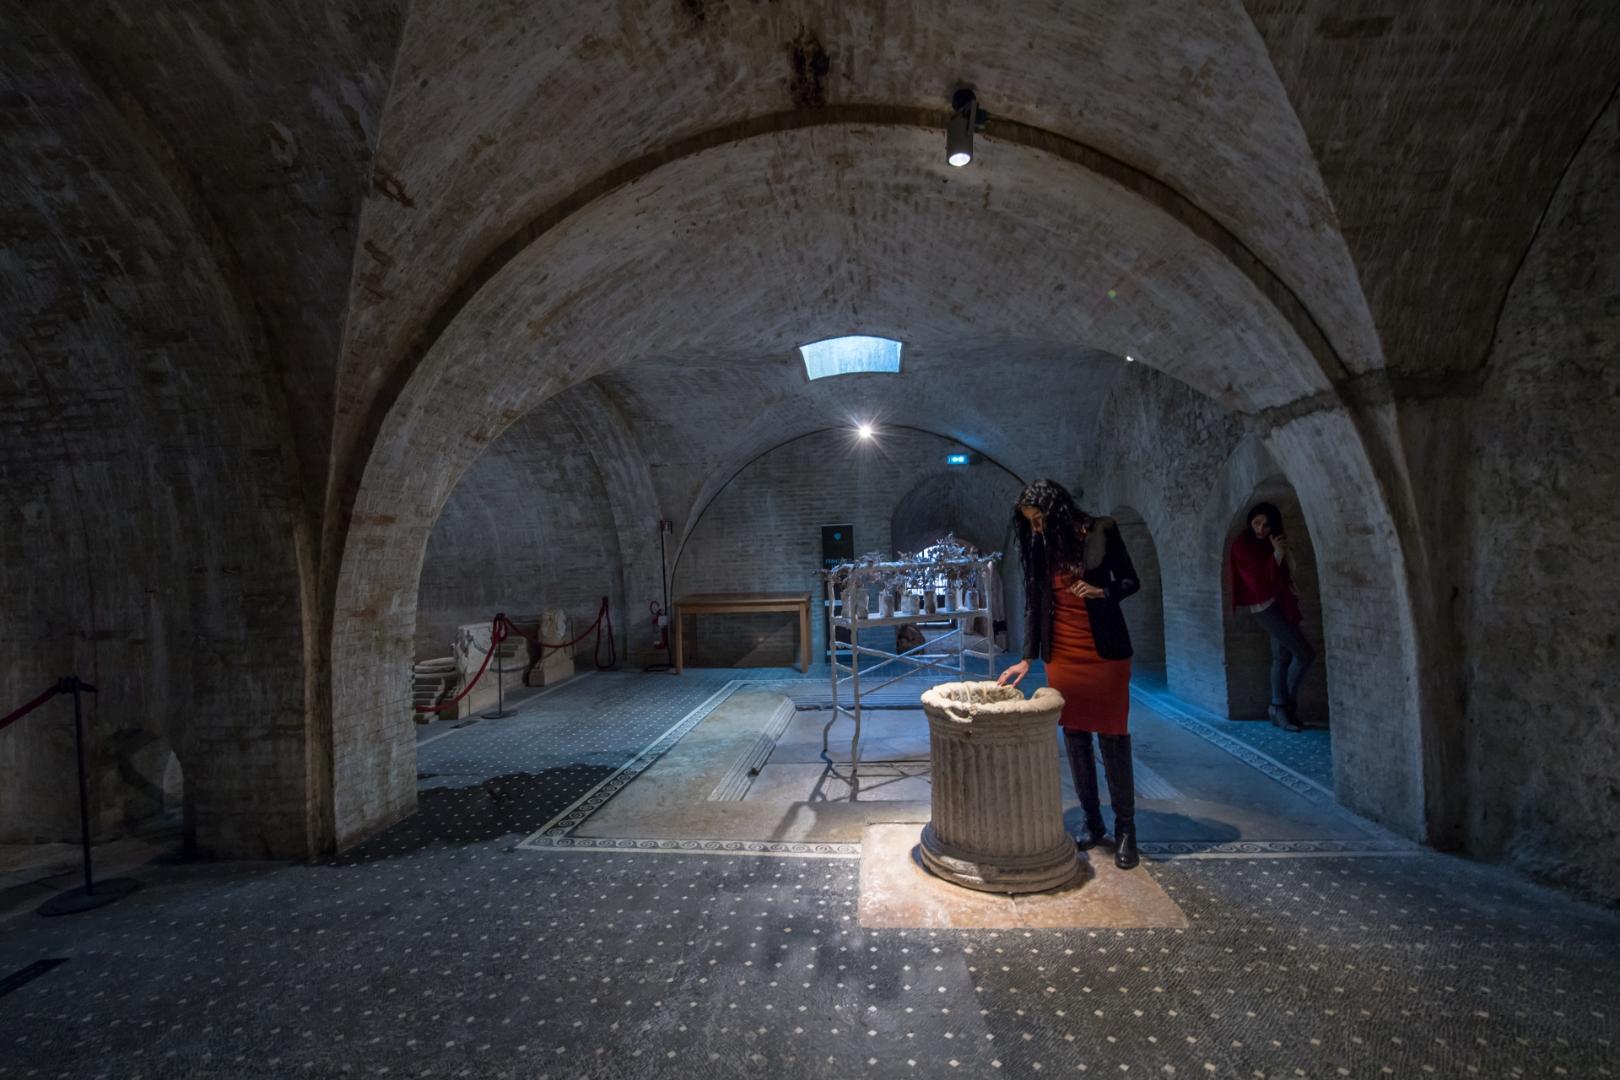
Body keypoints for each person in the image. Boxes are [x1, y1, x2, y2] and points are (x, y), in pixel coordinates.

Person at [997, 479, 1142, 870]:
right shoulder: (1040, 544)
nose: (1036, 528)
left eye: (1040, 519)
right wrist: (1028, 658)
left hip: (1104, 653)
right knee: (1075, 737)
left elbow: (1130, 581)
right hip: (1061, 654)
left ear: (1058, 511)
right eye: (1030, 523)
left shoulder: (1100, 531)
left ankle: (1126, 829)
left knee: (1113, 739)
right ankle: (1092, 822)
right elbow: (1035, 603)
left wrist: (1099, 592)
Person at [1229, 501, 1317, 732]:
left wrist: (1281, 551)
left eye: (1266, 525)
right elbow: (1255, 578)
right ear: (1250, 522)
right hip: (1264, 608)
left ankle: (1280, 709)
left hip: (1282, 602)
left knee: (1282, 658)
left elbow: (1288, 571)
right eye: (1257, 523)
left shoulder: (1270, 542)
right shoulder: (1243, 545)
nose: (1260, 529)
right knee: (1305, 654)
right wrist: (1276, 555)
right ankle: (1282, 706)